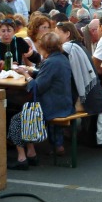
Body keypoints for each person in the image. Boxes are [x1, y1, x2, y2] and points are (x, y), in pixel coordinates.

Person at [9, 33, 74, 170]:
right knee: (24, 112)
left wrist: (25, 74)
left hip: (53, 107)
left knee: (16, 119)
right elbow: (49, 77)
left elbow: (36, 88)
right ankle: (31, 153)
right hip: (64, 103)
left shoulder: (50, 62)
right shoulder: (61, 58)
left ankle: (22, 158)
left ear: (44, 47)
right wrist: (33, 73)